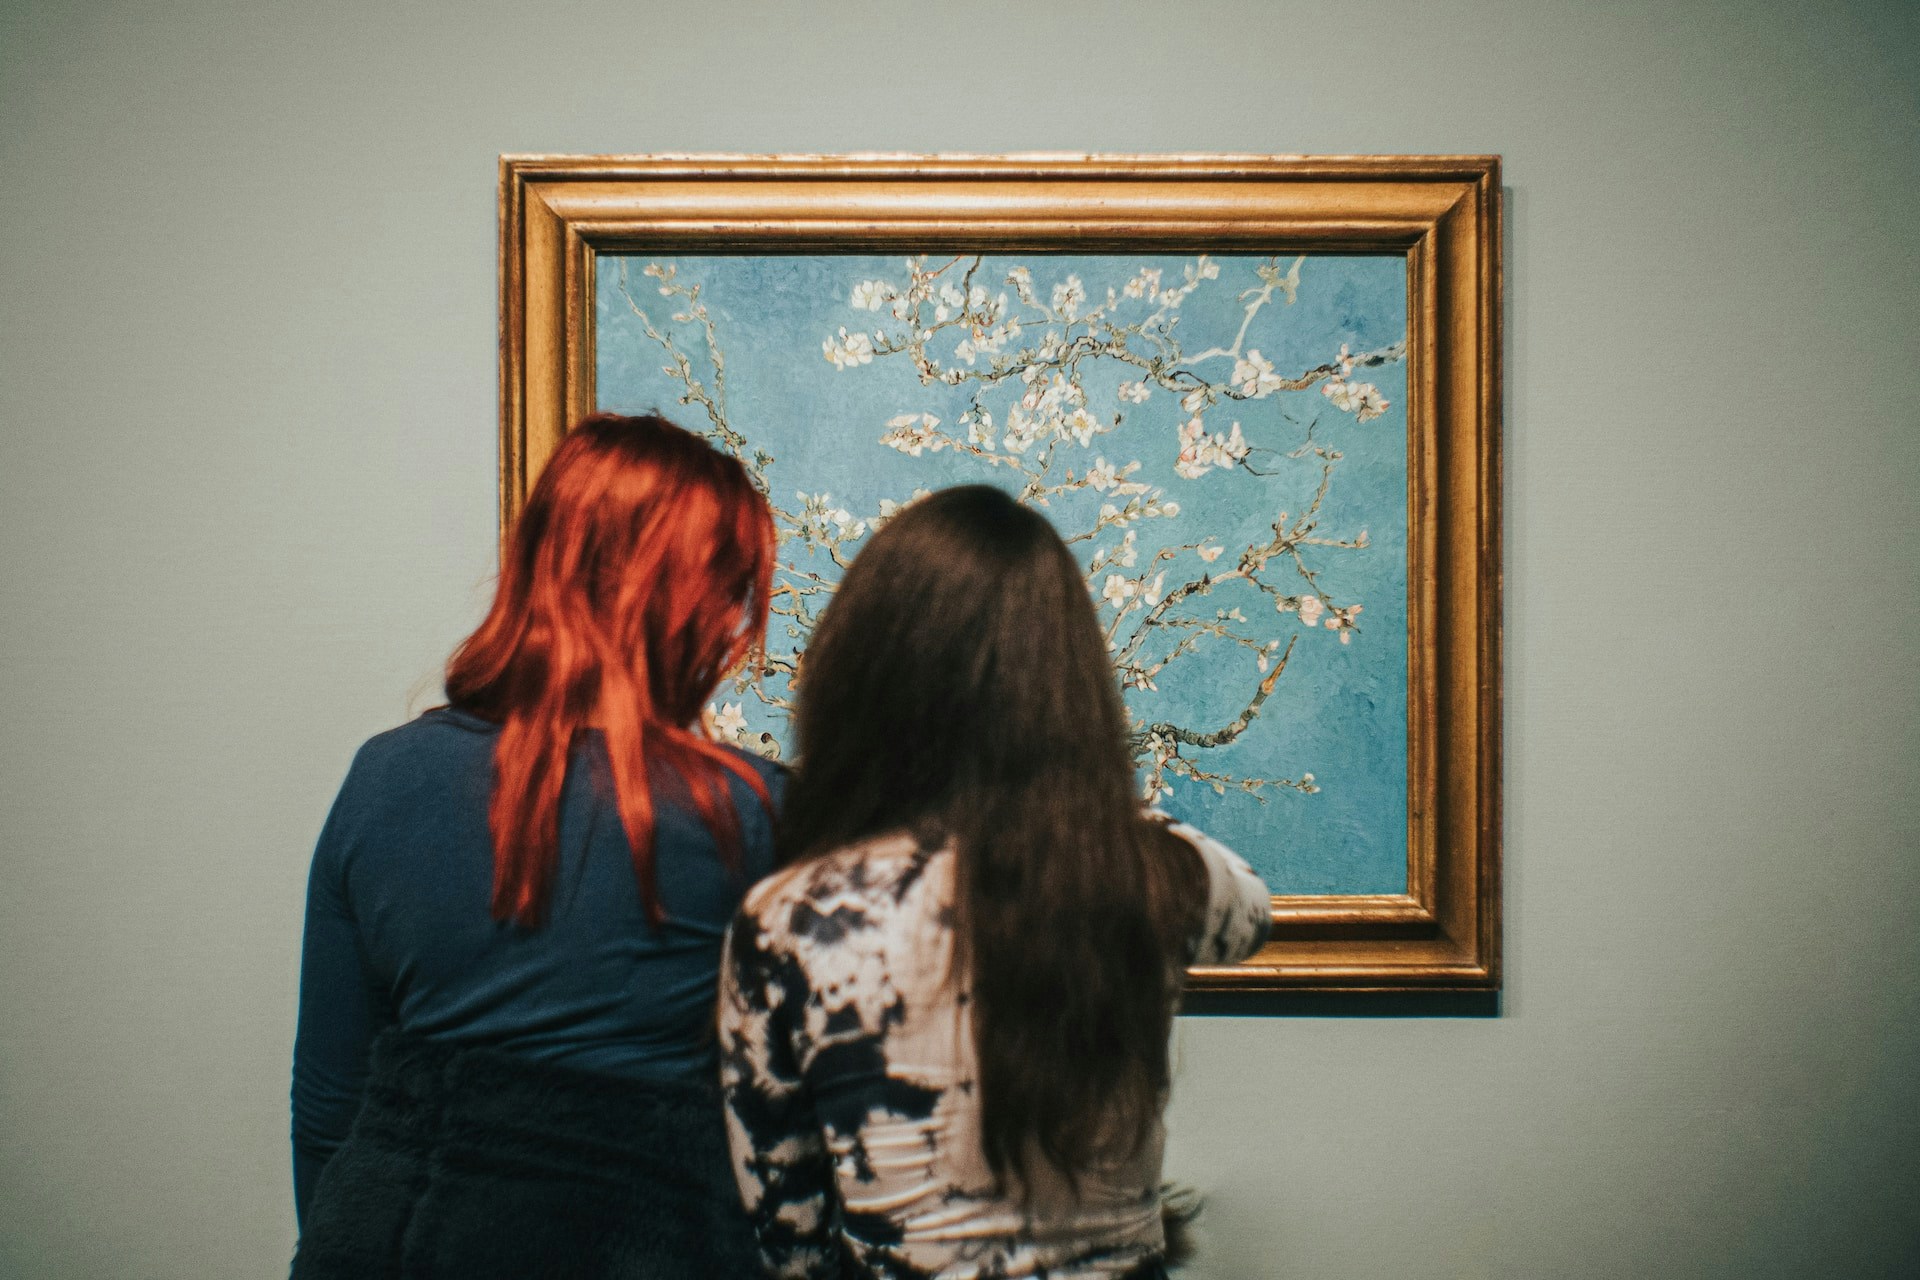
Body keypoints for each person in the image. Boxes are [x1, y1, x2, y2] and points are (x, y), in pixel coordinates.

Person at [718, 484, 1273, 1280]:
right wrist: (1096, 809)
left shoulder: (789, 924)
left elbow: (788, 1236)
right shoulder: (1141, 874)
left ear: (862, 675)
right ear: (1066, 684)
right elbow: (1250, 913)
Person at [290, 413, 777, 1279]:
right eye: (732, 589)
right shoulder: (757, 810)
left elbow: (330, 1109)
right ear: (688, 600)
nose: (738, 624)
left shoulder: (382, 779)